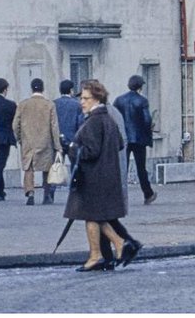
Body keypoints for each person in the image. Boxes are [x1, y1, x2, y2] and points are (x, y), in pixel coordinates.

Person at [66, 79, 129, 272]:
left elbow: (91, 152)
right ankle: (101, 252)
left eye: (86, 98)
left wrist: (72, 148)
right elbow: (119, 143)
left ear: (96, 99)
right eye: (82, 98)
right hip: (108, 175)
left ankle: (106, 250)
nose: (82, 102)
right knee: (94, 217)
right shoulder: (108, 119)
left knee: (92, 216)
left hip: (94, 177)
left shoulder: (93, 121)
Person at [97, 99, 143, 268]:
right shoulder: (113, 113)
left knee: (101, 216)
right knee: (106, 217)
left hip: (106, 174)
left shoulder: (105, 116)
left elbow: (103, 147)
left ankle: (120, 248)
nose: (82, 102)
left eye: (85, 98)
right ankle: (115, 252)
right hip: (113, 173)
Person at [12, 78, 62, 205]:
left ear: (31, 88)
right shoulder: (49, 105)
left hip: (28, 141)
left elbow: (15, 124)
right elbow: (54, 126)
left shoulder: (23, 105)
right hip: (45, 141)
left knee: (29, 168)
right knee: (47, 169)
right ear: (42, 88)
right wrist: (57, 145)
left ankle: (30, 193)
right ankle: (47, 195)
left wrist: (20, 138)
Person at [113, 75, 157, 205]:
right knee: (141, 167)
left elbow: (114, 117)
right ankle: (147, 193)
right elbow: (147, 120)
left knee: (122, 168)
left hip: (123, 138)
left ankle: (118, 195)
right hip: (138, 139)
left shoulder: (119, 100)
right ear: (140, 86)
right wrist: (148, 133)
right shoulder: (142, 101)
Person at [55, 79, 83, 167]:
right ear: (71, 90)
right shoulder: (77, 104)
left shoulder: (53, 104)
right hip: (73, 139)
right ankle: (73, 180)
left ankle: (56, 181)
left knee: (57, 167)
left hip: (58, 139)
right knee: (75, 165)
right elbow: (80, 123)